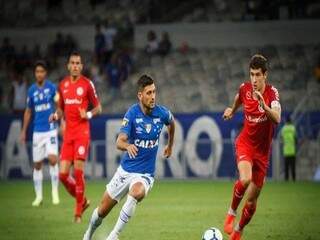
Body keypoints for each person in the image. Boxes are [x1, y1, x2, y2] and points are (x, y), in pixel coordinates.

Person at [83, 74, 175, 240]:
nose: (153, 96)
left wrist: (170, 145)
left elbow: (171, 122)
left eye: (154, 92)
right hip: (125, 171)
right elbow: (119, 142)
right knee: (102, 211)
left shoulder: (162, 113)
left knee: (136, 192)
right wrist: (127, 146)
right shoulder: (132, 114)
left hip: (145, 174)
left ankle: (113, 236)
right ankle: (88, 234)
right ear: (140, 95)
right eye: (148, 93)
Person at [222, 54, 281, 240]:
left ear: (265, 75)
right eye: (251, 74)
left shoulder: (272, 94)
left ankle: (238, 230)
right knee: (245, 179)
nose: (254, 79)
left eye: (257, 75)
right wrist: (232, 109)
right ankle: (231, 213)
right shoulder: (245, 89)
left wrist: (264, 106)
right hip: (246, 143)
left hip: (262, 154)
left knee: (252, 200)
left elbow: (277, 118)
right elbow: (239, 97)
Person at [50, 52, 102, 223]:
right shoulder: (62, 85)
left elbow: (98, 108)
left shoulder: (87, 84)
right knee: (63, 175)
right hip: (68, 135)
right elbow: (60, 109)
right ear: (68, 65)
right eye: (72, 63)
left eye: (78, 63)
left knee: (78, 172)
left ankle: (78, 213)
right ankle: (84, 201)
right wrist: (56, 117)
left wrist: (86, 114)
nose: (75, 66)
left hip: (82, 133)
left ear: (81, 66)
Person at [20, 60, 60, 207]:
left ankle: (55, 193)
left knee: (53, 159)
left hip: (50, 130)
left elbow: (59, 106)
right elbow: (28, 111)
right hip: (37, 131)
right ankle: (39, 197)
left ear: (45, 73)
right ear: (35, 74)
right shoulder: (31, 91)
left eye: (42, 71)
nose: (39, 74)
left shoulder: (52, 88)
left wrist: (60, 121)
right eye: (37, 72)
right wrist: (24, 131)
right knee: (37, 164)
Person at [280, 116, 297, 181]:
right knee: (293, 166)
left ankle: (286, 179)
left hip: (286, 151)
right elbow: (295, 138)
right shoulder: (293, 128)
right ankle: (293, 179)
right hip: (292, 150)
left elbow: (281, 139)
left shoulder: (284, 128)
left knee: (286, 167)